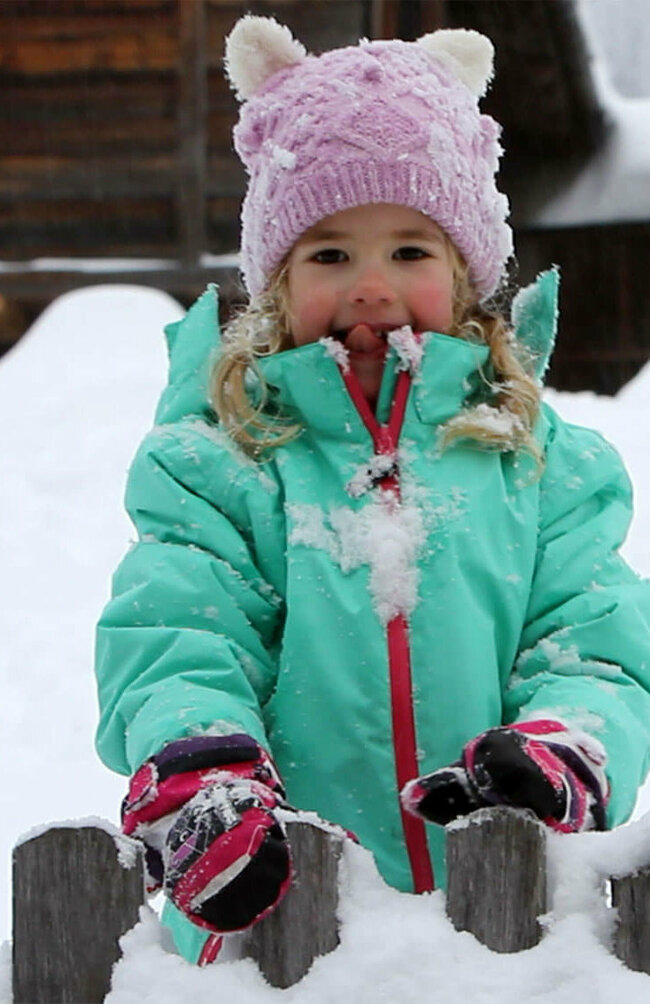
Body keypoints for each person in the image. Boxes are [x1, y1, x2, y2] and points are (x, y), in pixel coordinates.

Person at [95, 16, 650, 965]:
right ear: (275, 279)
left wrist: (559, 749)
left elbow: (592, 640)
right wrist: (204, 768)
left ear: (469, 274)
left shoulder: (544, 464)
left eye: (409, 251)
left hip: (498, 933)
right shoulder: (223, 460)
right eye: (328, 254)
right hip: (277, 930)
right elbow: (180, 630)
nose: (369, 287)